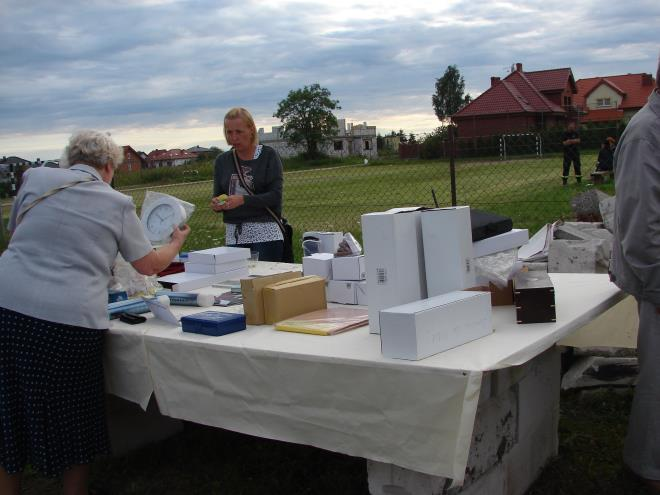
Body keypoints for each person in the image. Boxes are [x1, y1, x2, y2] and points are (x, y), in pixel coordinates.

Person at [0, 130, 190, 495]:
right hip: (67, 318)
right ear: (108, 167)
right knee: (75, 414)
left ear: (70, 161)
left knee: (10, 409)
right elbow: (149, 265)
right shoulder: (116, 202)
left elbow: (18, 235)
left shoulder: (35, 179)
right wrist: (175, 243)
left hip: (7, 305)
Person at [610, 55, 660, 493]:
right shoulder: (646, 135)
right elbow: (641, 230)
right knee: (658, 383)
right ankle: (646, 471)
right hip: (658, 278)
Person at [211, 107, 284, 261]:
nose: (233, 138)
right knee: (238, 283)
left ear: (251, 130)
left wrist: (243, 200)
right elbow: (218, 194)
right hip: (234, 236)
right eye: (229, 132)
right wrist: (218, 204)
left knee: (265, 282)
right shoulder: (222, 161)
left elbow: (275, 196)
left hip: (266, 235)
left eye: (239, 132)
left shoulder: (268, 155)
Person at [561, 121, 582, 185]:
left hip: (575, 152)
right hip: (567, 153)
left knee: (577, 166)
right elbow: (564, 143)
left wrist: (570, 141)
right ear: (568, 126)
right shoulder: (564, 133)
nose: (572, 127)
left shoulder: (576, 132)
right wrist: (572, 141)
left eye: (573, 125)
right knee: (566, 167)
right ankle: (565, 182)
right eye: (570, 125)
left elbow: (578, 140)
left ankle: (579, 181)